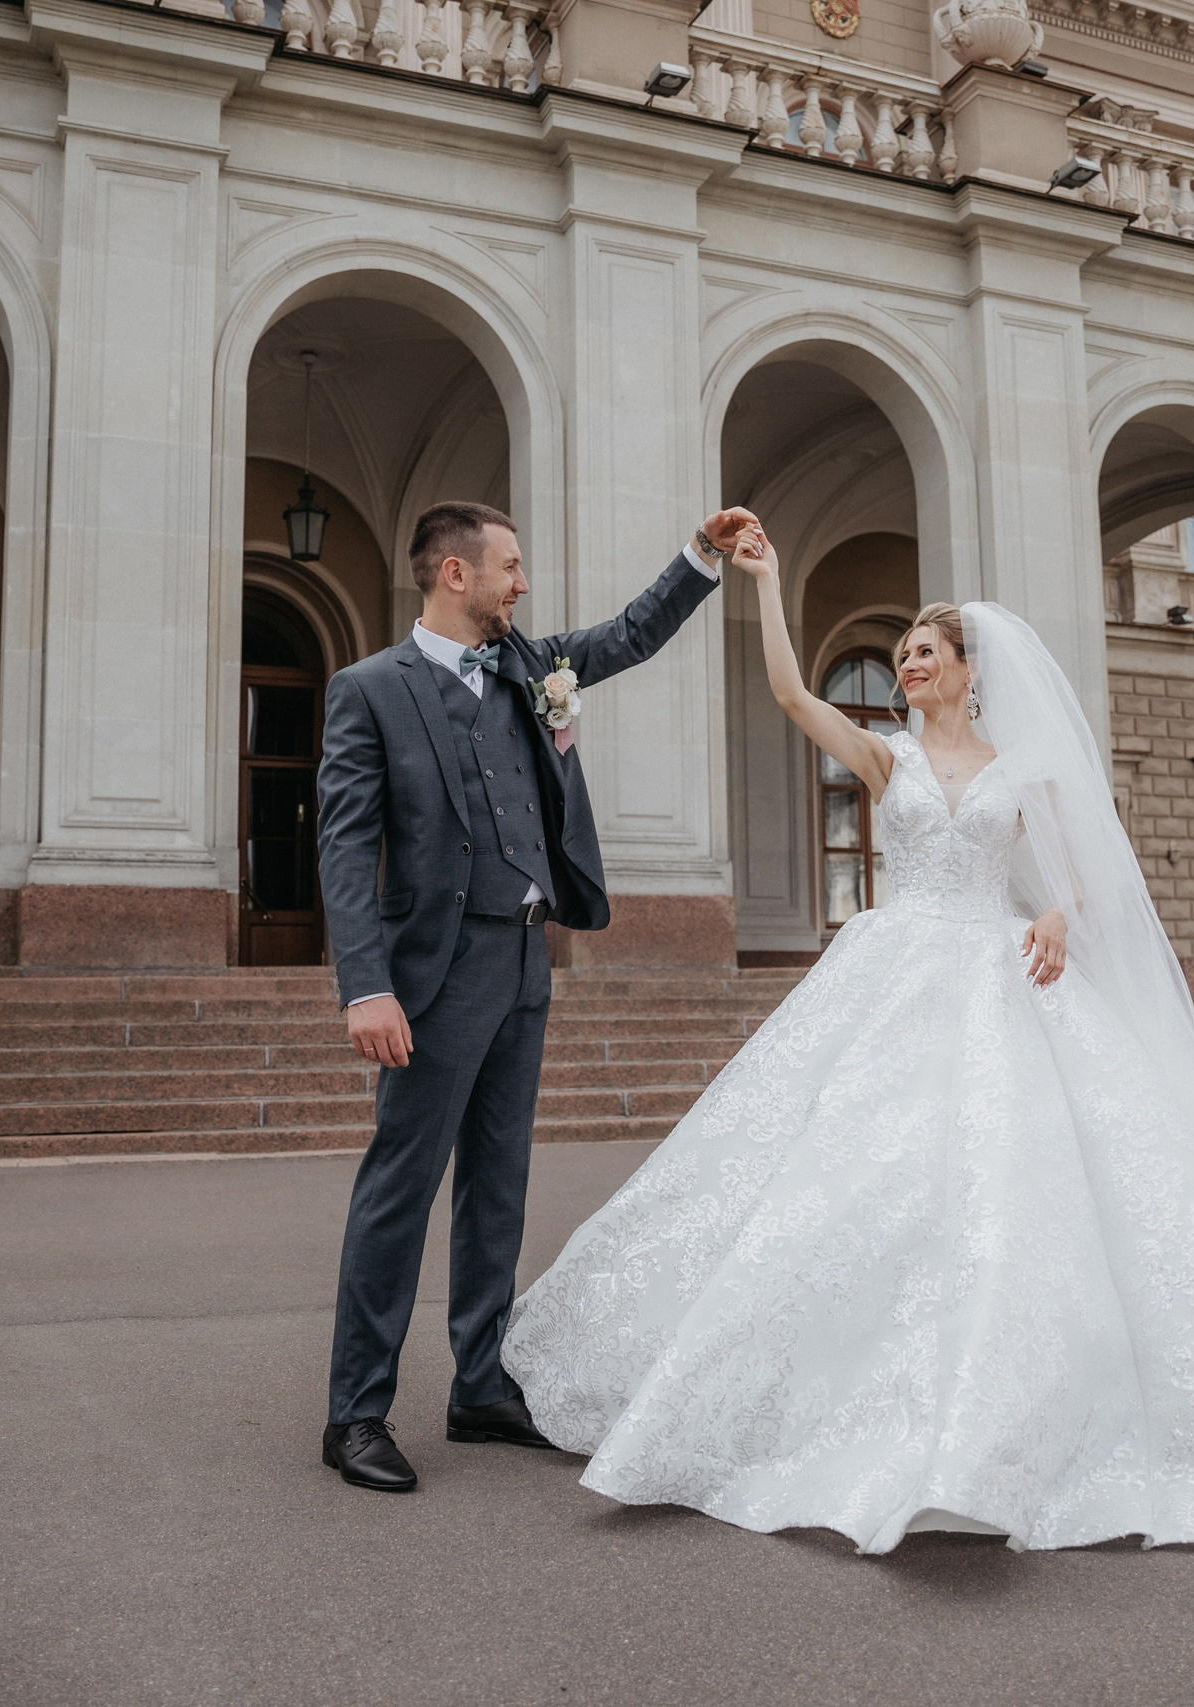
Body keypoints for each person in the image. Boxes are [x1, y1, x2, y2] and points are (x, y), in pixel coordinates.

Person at [499, 526, 1194, 1552]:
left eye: (926, 651)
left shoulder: (1024, 768)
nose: (908, 664)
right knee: (849, 1174)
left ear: (969, 672)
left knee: (1023, 1188)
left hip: (1004, 970)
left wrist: (1055, 915)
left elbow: (1086, 869)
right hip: (895, 972)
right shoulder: (889, 757)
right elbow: (791, 697)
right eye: (904, 653)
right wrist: (771, 582)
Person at [313, 498, 759, 1494]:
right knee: (399, 1192)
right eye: (509, 567)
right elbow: (343, 849)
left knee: (498, 1187)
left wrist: (699, 554)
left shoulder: (529, 667)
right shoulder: (368, 691)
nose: (524, 584)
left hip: (522, 964)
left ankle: (480, 1387)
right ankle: (354, 1413)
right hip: (430, 972)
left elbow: (627, 636)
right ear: (454, 576)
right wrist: (365, 987)